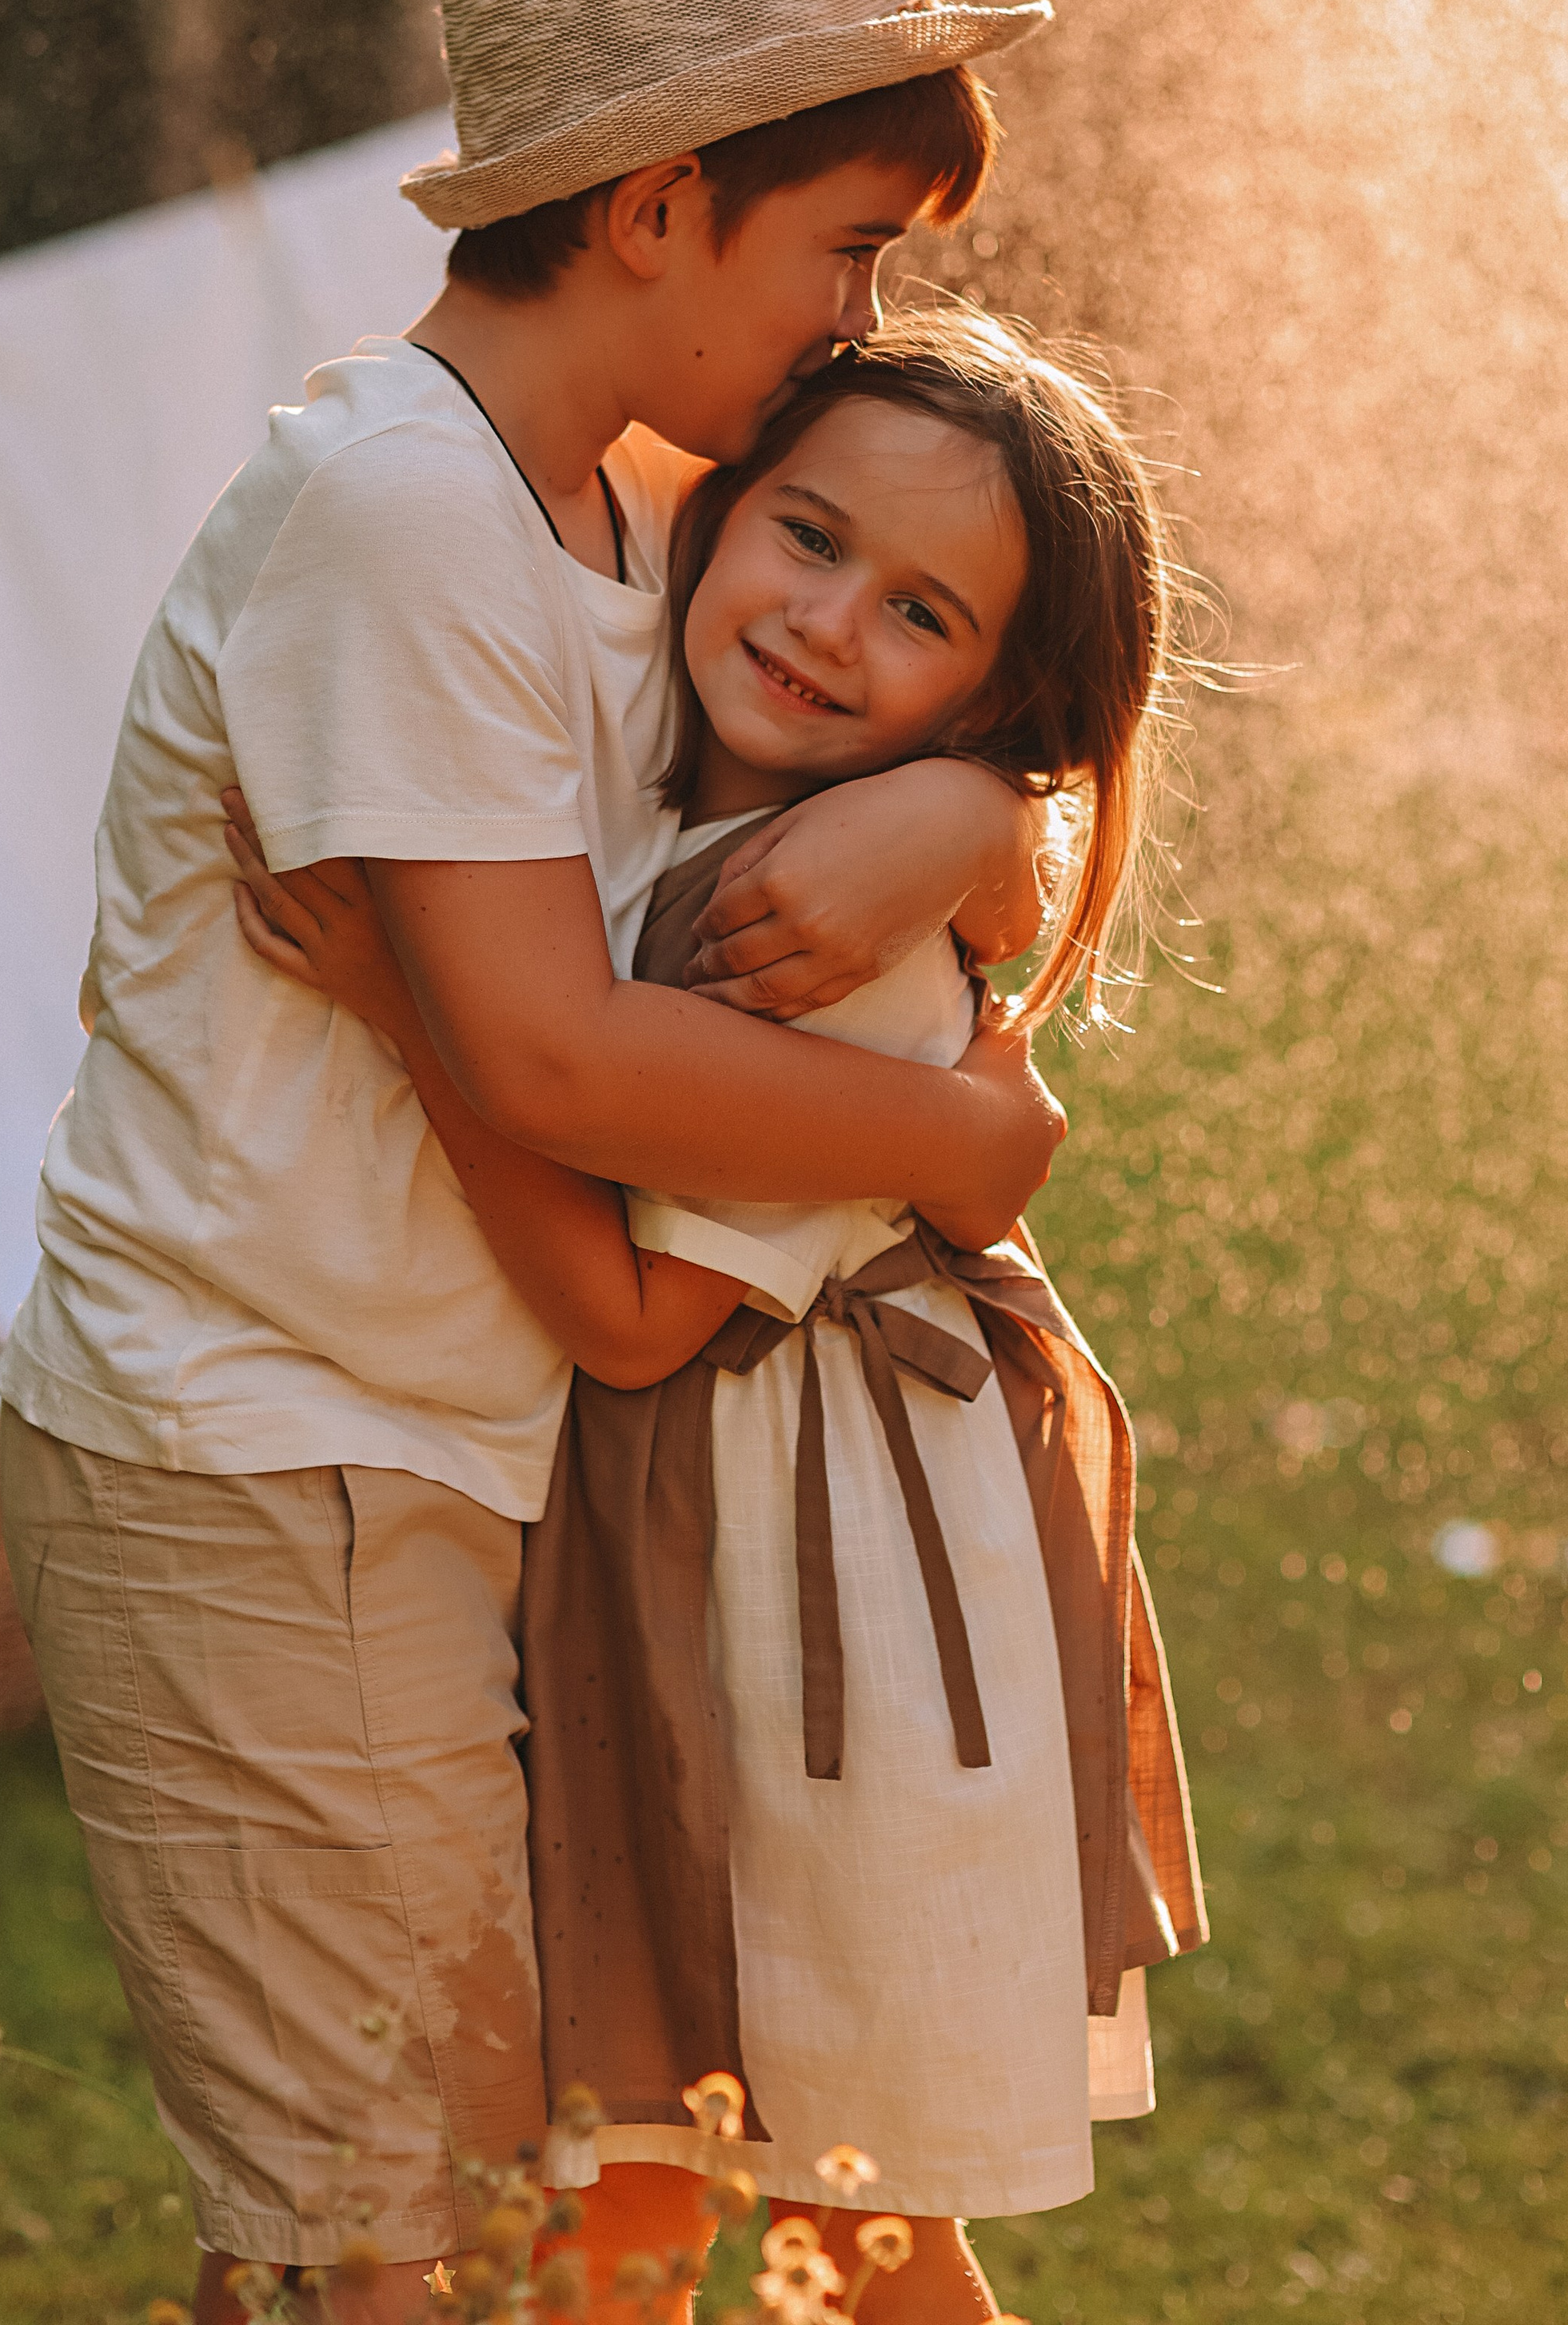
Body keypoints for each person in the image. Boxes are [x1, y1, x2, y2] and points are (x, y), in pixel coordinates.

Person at [0, 0, 1069, 2325]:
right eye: (845, 248)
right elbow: (560, 1063)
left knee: (418, 2236)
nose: (858, 320)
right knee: (415, 2261)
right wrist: (964, 1138)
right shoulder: (407, 516)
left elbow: (851, 744)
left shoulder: (600, 520)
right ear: (660, 202)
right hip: (260, 1459)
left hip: (405, 1470)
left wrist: (963, 796)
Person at [227, 307, 1207, 2325]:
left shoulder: (796, 932)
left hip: (817, 1607)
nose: (828, 621)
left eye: (919, 612)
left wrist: (413, 1007)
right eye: (807, 537)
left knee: (812, 2210)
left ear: (994, 693)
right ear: (716, 508)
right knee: (679, 2191)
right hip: (719, 1576)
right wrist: (975, 809)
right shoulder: (698, 805)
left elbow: (627, 1320)